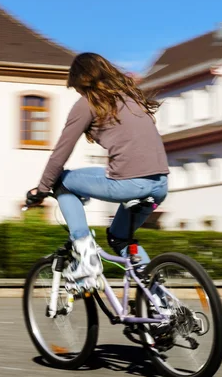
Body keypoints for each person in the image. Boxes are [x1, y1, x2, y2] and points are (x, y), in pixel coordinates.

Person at [25, 52, 169, 290]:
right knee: (120, 237)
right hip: (159, 184)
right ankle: (161, 305)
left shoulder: (88, 103)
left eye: (78, 88)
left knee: (61, 181)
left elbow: (61, 153)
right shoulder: (130, 99)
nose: (79, 94)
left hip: (129, 183)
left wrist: (41, 190)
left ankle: (87, 257)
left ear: (81, 81)